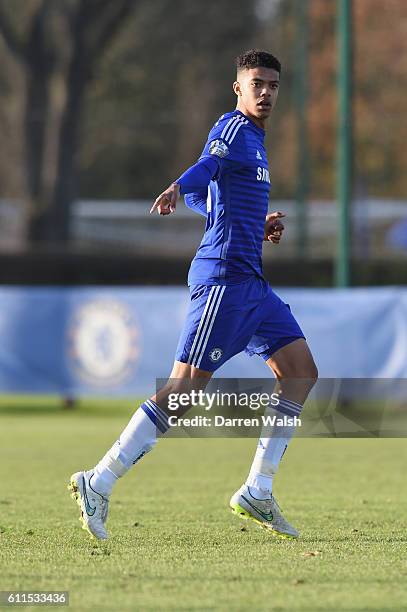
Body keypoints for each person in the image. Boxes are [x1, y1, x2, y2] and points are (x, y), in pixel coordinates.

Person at [68, 49, 318, 540]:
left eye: (272, 85)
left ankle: (258, 491)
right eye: (256, 83)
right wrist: (176, 187)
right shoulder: (233, 128)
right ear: (238, 88)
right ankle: (98, 481)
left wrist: (254, 222)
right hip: (223, 279)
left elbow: (214, 196)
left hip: (253, 284)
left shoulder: (257, 145)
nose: (265, 92)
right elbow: (205, 170)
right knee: (183, 390)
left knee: (300, 373)